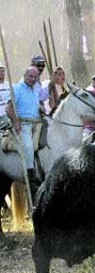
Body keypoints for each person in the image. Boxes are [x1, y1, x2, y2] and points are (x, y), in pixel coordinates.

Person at [6, 66, 42, 196]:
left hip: (37, 122)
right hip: (23, 123)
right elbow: (8, 109)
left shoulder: (36, 89)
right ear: (25, 75)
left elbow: (37, 105)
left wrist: (41, 109)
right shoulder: (17, 89)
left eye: (35, 77)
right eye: (31, 76)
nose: (33, 79)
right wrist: (15, 122)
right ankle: (30, 176)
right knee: (28, 145)